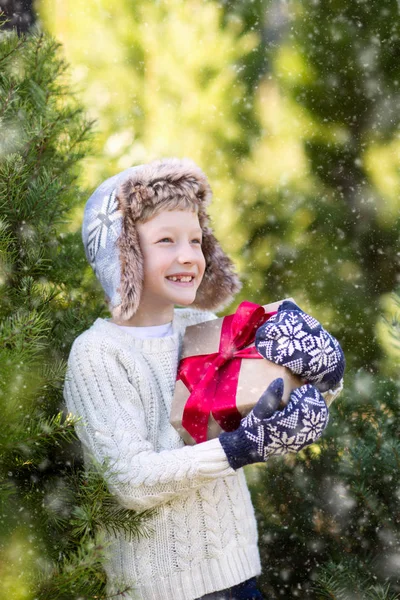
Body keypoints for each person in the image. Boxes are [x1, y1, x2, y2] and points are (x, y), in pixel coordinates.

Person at [63, 158, 344, 600]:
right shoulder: (99, 353)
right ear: (125, 257)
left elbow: (264, 399)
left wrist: (317, 373)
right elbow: (130, 480)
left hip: (239, 575)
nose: (188, 256)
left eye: (196, 240)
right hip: (161, 590)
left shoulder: (203, 327)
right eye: (166, 241)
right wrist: (236, 449)